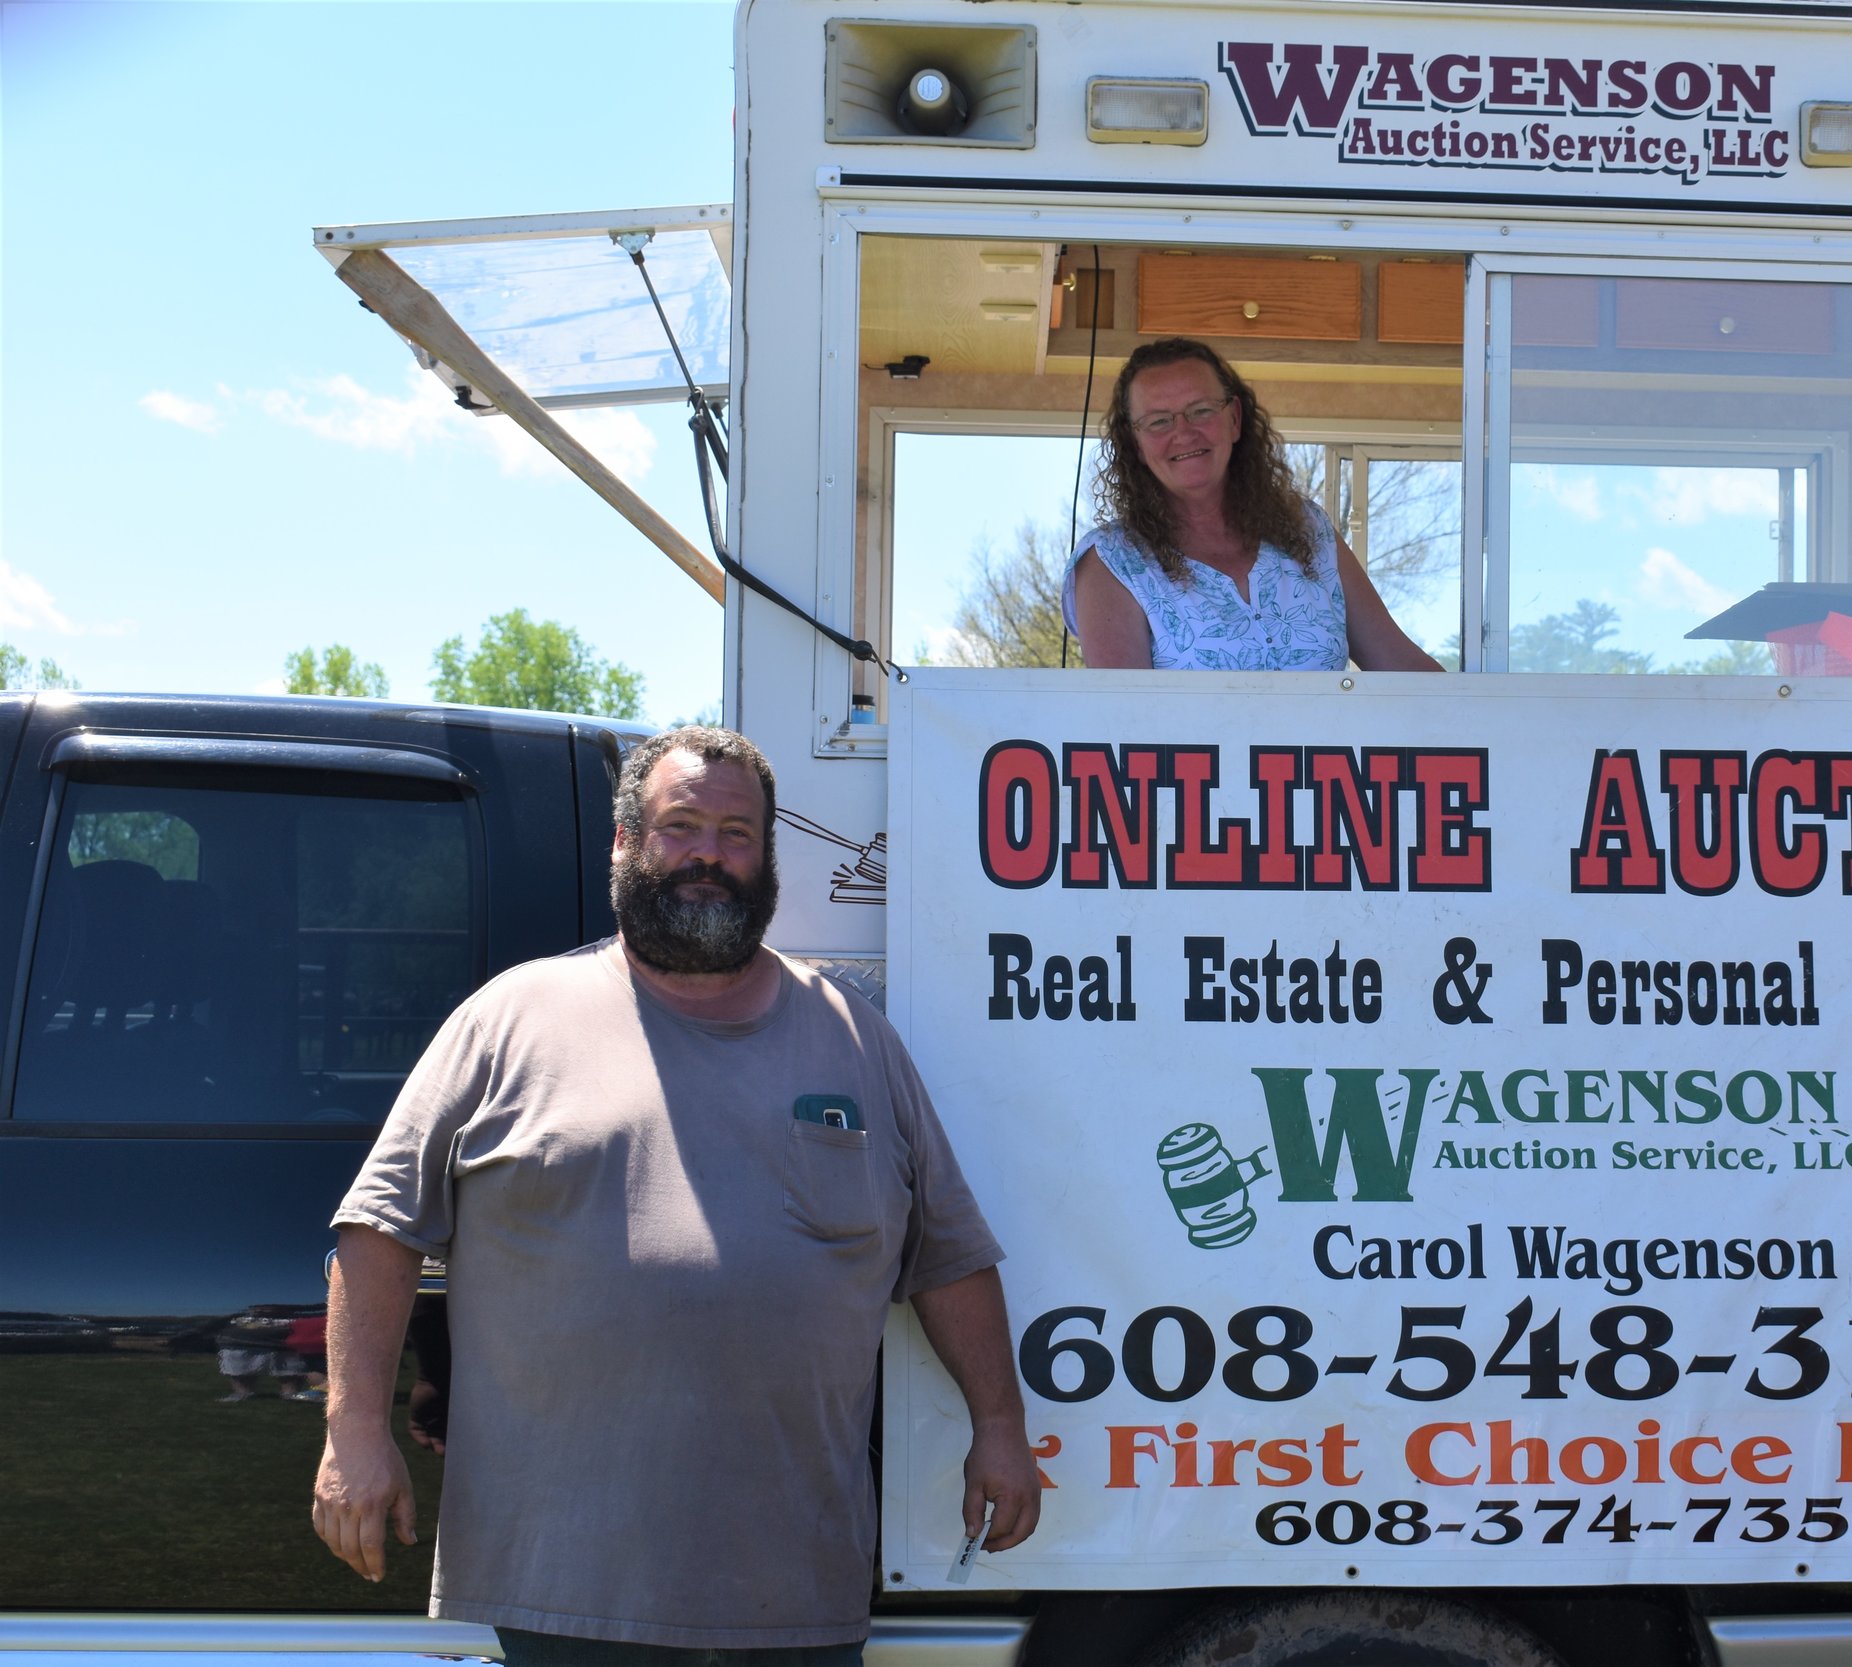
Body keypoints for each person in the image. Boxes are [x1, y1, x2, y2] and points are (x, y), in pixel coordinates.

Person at [312, 726, 1037, 1666]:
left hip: (796, 1587)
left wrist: (1002, 1428)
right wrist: (355, 1432)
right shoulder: (510, 1018)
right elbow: (379, 1226)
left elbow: (949, 1256)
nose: (709, 853)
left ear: (768, 858)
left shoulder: (856, 1039)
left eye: (738, 833)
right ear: (624, 844)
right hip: (566, 1588)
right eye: (681, 824)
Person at [1064, 337, 1445, 671]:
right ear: (1135, 445)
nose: (1183, 433)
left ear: (1234, 419)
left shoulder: (1307, 528)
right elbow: (1122, 729)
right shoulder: (1112, 561)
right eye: (1159, 421)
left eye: (1201, 411)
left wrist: (1489, 720)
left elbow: (1402, 667)